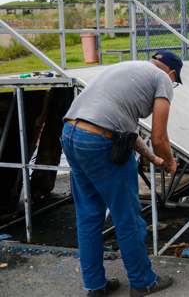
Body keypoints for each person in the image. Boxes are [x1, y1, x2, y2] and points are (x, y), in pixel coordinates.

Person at [61, 50, 182, 296]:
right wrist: (169, 162)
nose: (173, 86)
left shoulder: (128, 69)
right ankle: (143, 282)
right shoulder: (162, 80)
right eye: (175, 81)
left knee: (89, 216)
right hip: (100, 142)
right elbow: (159, 137)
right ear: (171, 73)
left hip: (71, 134)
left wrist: (155, 159)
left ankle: (95, 285)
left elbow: (129, 133)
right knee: (127, 217)